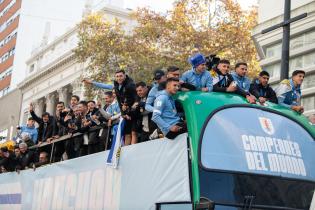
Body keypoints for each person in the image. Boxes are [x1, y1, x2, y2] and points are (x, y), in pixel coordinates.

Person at [83, 69, 138, 145]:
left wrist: (132, 106)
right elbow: (104, 85)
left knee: (134, 133)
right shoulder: (116, 86)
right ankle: (127, 150)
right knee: (127, 134)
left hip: (133, 110)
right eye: (117, 76)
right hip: (125, 112)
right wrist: (92, 82)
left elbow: (136, 96)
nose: (119, 78)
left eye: (121, 76)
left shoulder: (130, 85)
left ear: (125, 76)